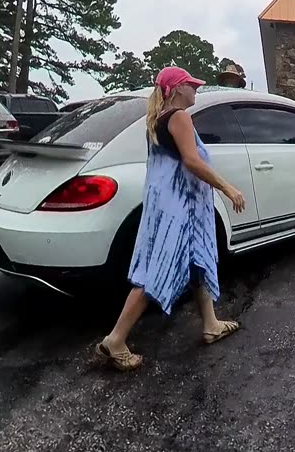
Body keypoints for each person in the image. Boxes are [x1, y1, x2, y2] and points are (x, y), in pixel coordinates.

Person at [94, 66, 248, 371]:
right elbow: (191, 161)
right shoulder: (179, 117)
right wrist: (228, 188)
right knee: (156, 273)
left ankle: (211, 324)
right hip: (181, 210)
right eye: (191, 85)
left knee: (197, 261)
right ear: (177, 89)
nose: (196, 90)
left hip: (170, 206)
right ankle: (115, 340)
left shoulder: (158, 118)